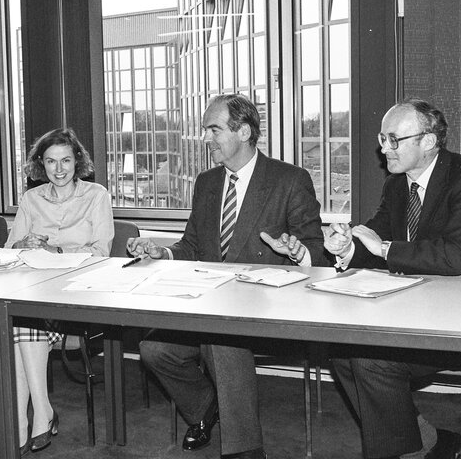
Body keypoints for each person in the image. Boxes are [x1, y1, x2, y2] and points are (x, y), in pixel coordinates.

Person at [128, 94, 328, 459]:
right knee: (153, 349)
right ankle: (206, 407)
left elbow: (316, 250)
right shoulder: (206, 182)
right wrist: (163, 252)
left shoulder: (289, 180)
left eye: (214, 129)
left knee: (222, 340)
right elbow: (191, 245)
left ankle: (244, 450)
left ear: (245, 131)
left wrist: (298, 252)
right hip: (208, 304)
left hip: (266, 310)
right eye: (206, 129)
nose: (206, 138)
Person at [324, 98, 461, 459]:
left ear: (427, 141)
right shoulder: (397, 185)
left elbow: (455, 257)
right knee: (344, 350)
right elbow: (374, 237)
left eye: (394, 140)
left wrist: (384, 248)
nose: (383, 148)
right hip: (416, 306)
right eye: (382, 138)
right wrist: (346, 247)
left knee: (370, 361)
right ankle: (426, 442)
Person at [3, 128, 113, 455]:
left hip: (78, 293)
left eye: (66, 160)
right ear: (41, 164)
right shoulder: (31, 199)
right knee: (18, 315)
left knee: (19, 318)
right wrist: (23, 243)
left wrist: (58, 252)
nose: (59, 169)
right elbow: (11, 248)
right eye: (51, 161)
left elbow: (101, 252)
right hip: (36, 288)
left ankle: (34, 417)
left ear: (77, 161)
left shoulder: (97, 195)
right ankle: (37, 417)